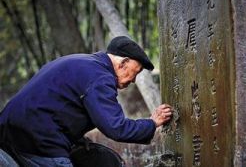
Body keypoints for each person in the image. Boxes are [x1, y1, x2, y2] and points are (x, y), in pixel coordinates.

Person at [0, 36, 173, 167]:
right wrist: (152, 123)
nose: (134, 80)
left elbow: (60, 107)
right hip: (37, 140)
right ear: (123, 63)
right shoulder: (100, 77)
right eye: (136, 72)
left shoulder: (85, 63)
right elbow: (116, 128)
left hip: (10, 131)